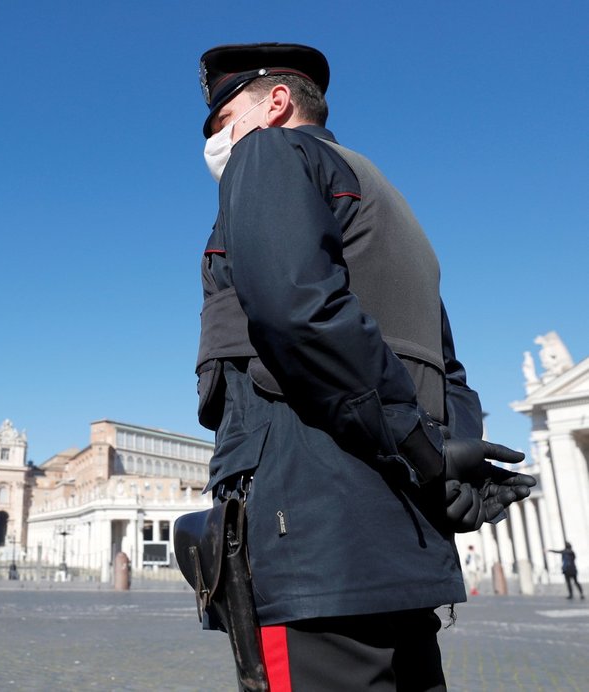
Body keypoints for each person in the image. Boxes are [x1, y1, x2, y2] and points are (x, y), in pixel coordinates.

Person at [186, 43, 537, 690]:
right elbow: (450, 373)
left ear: (277, 104)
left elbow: (297, 311)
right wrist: (444, 471)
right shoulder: (391, 204)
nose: (214, 137)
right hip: (404, 548)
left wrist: (418, 449)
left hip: (313, 542)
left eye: (221, 117)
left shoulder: (268, 154)